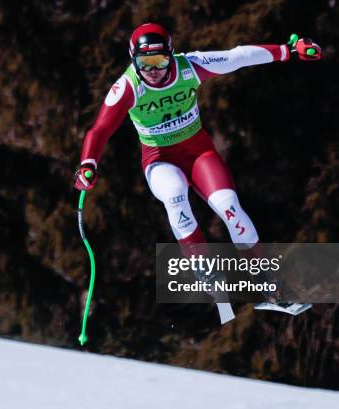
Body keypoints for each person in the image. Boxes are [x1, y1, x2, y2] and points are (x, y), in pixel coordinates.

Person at [74, 23, 321, 305]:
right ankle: (202, 267)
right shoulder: (128, 86)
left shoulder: (190, 66)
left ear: (171, 55)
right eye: (145, 63)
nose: (153, 71)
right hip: (159, 159)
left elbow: (238, 57)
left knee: (230, 207)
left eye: (160, 61)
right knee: (175, 195)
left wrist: (287, 51)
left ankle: (266, 280)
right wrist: (87, 165)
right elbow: (99, 130)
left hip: (199, 152)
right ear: (133, 61)